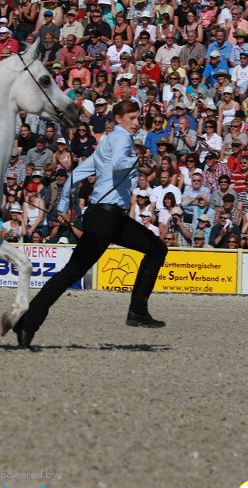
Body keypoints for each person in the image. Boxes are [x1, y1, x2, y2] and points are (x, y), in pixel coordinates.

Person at [12, 100, 168, 349]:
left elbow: (75, 174)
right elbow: (119, 165)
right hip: (106, 217)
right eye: (133, 118)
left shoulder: (106, 141)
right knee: (155, 250)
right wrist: (136, 161)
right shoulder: (122, 140)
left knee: (71, 272)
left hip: (106, 216)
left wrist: (63, 206)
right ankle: (137, 311)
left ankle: (28, 323)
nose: (137, 122)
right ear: (118, 118)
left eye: (139, 118)